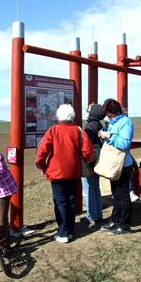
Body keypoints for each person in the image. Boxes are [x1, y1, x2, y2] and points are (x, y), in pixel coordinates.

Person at [35, 104, 94, 243]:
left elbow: (42, 152)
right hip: (74, 172)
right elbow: (88, 152)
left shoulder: (53, 130)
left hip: (56, 173)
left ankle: (63, 232)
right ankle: (70, 229)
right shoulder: (79, 130)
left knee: (60, 202)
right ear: (72, 116)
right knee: (72, 200)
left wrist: (41, 165)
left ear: (58, 116)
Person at [98, 98, 134, 235]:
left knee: (123, 195)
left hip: (123, 165)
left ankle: (125, 225)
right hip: (114, 164)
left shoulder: (125, 123)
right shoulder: (114, 122)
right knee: (116, 194)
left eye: (109, 114)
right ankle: (116, 219)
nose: (108, 116)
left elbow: (125, 144)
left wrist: (109, 137)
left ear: (115, 112)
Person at [81, 103, 106, 225]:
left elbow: (86, 147)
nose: (86, 111)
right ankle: (99, 214)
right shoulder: (100, 125)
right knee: (96, 188)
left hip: (89, 163)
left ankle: (91, 216)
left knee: (88, 189)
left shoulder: (88, 127)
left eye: (88, 110)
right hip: (99, 162)